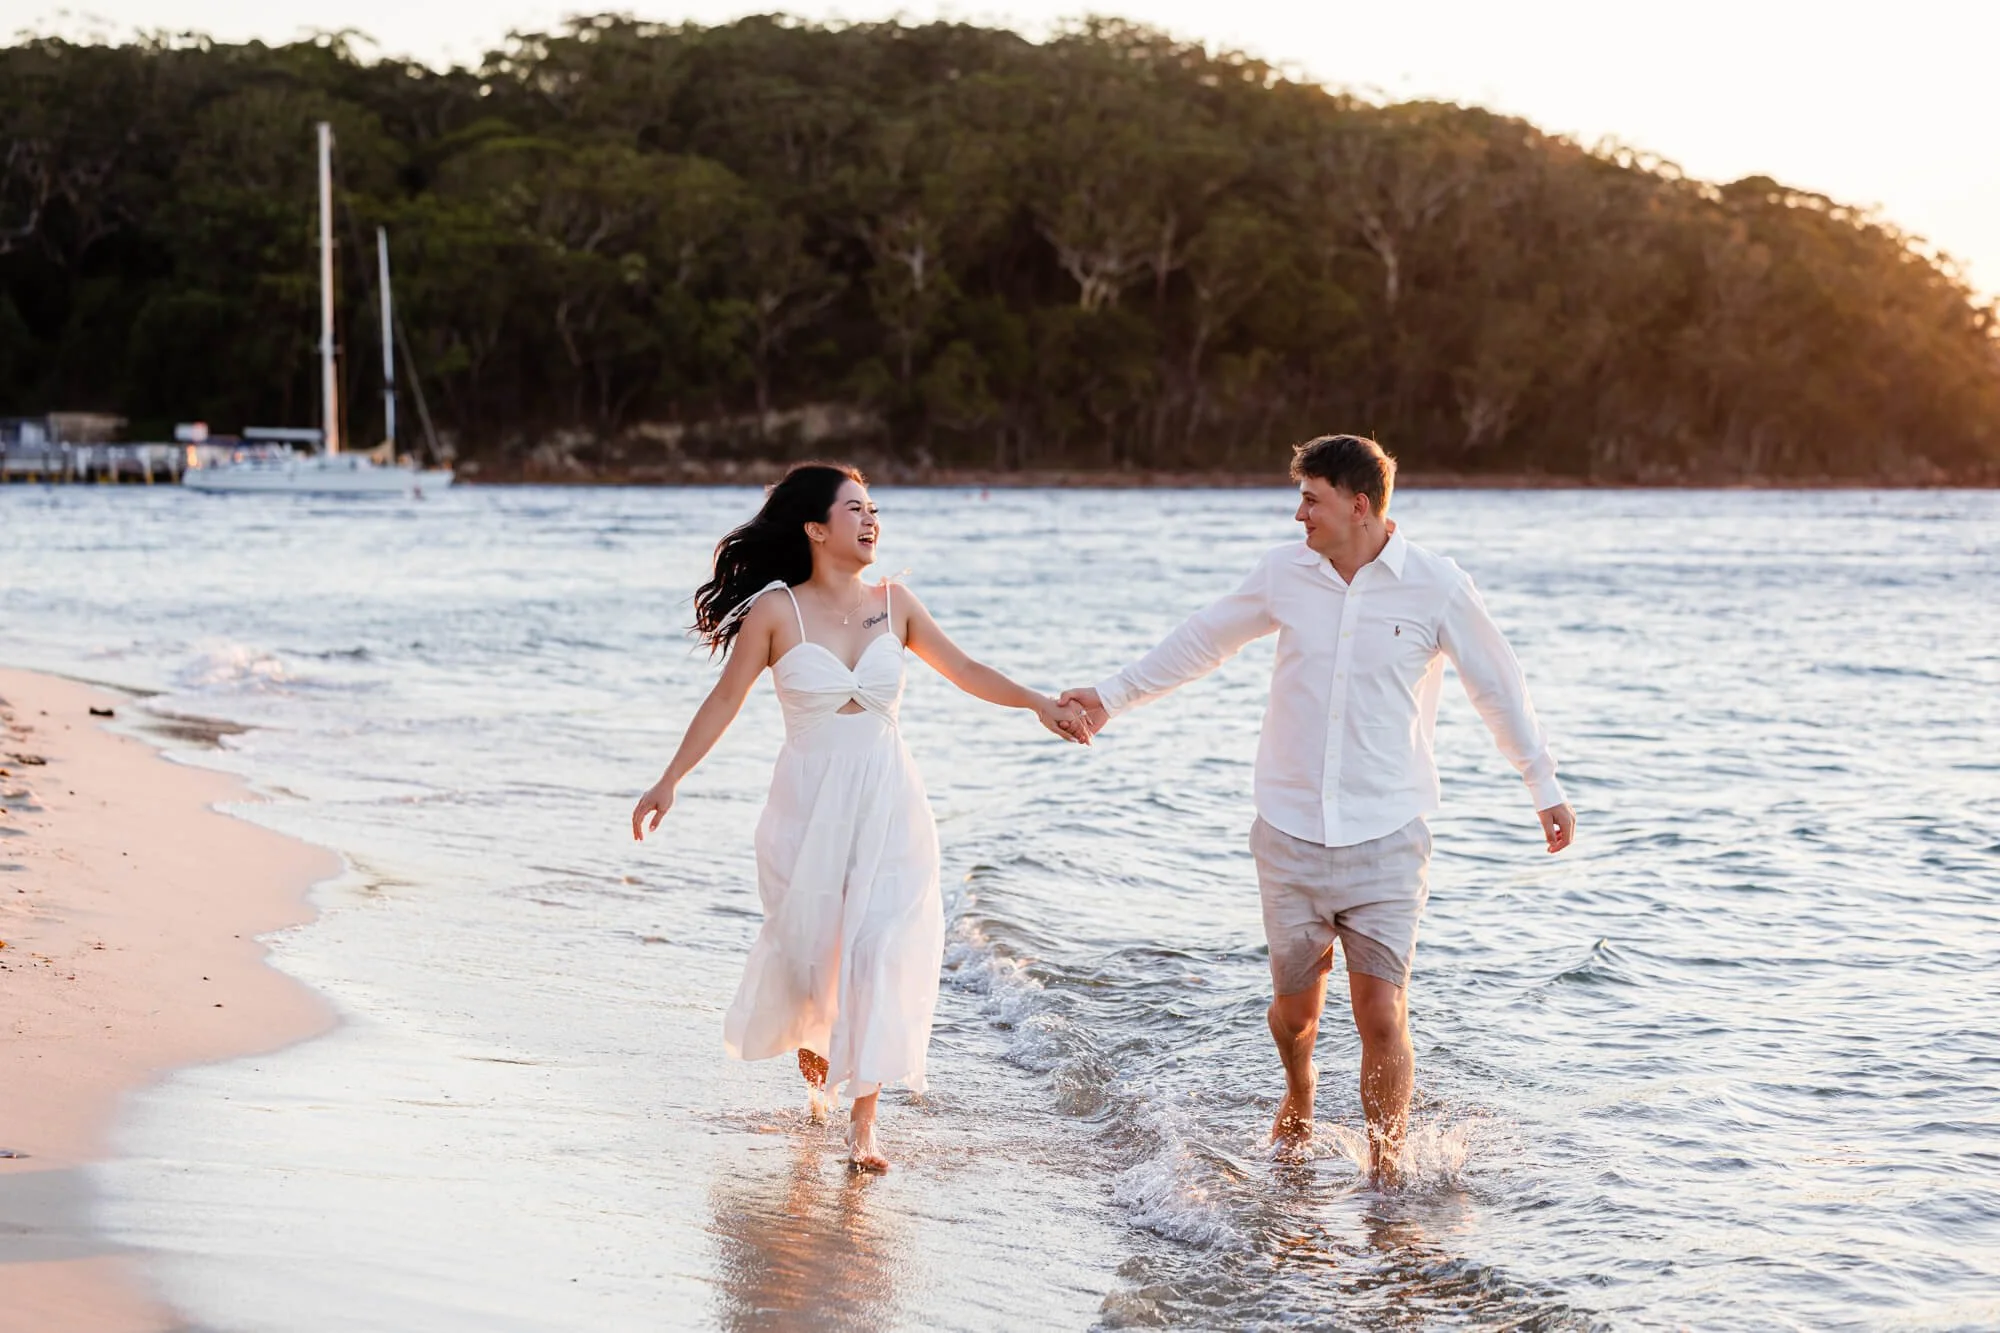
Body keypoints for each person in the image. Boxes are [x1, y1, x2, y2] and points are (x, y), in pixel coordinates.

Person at [1059, 435, 1576, 1183]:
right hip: (1291, 828)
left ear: (1358, 505)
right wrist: (1109, 698)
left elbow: (1497, 685)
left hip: (1389, 833)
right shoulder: (1284, 572)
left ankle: (1386, 1173)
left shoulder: (1436, 585)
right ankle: (1299, 1089)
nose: (1298, 513)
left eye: (1312, 499)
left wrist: (1542, 784)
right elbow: (1203, 640)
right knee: (1297, 1013)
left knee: (1380, 1012)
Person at [631, 462, 1085, 1171]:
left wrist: (1036, 702)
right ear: (816, 528)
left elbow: (966, 669)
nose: (872, 521)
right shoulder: (776, 610)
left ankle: (865, 1125)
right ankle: (819, 1086)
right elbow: (724, 701)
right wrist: (669, 780)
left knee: (879, 948)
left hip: (890, 803)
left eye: (875, 509)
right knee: (816, 963)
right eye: (855, 509)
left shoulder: (894, 602)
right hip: (806, 810)